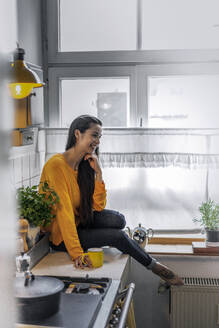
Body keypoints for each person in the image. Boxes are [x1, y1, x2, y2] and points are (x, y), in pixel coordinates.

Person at [40, 115, 183, 286]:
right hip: (61, 237)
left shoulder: (84, 165)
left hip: (79, 222)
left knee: (118, 220)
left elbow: (97, 206)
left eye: (100, 137)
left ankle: (130, 245)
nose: (98, 141)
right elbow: (64, 212)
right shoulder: (56, 165)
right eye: (94, 135)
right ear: (77, 134)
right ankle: (155, 266)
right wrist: (77, 254)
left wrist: (99, 174)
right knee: (117, 236)